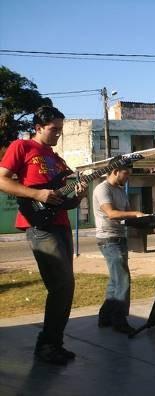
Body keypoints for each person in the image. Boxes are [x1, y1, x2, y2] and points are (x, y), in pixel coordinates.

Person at [0, 106, 87, 364]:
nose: (59, 134)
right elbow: (2, 180)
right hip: (38, 224)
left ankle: (53, 343)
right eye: (54, 129)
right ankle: (47, 345)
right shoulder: (22, 147)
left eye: (61, 129)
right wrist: (37, 194)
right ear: (38, 127)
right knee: (61, 284)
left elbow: (65, 200)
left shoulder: (56, 159)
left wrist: (79, 193)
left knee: (65, 286)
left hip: (60, 223)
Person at [93, 160, 145, 334]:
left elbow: (127, 213)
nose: (128, 178)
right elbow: (111, 213)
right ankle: (119, 321)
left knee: (115, 280)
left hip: (120, 237)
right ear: (115, 171)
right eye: (126, 174)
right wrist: (136, 213)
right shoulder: (102, 189)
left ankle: (105, 317)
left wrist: (145, 219)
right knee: (122, 279)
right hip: (108, 239)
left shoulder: (120, 191)